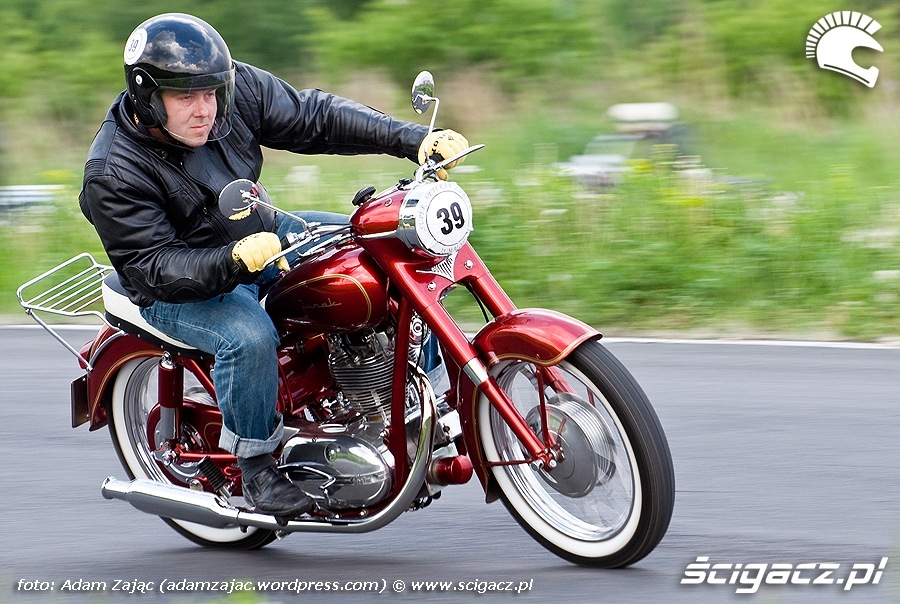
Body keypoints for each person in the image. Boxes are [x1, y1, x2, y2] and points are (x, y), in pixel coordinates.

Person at [79, 12, 468, 518]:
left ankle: (417, 399)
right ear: (148, 96)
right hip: (175, 284)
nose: (205, 110)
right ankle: (257, 465)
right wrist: (231, 259)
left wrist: (410, 140)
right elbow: (152, 266)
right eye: (185, 98)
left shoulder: (231, 88)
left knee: (382, 250)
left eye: (211, 93)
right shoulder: (113, 171)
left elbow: (313, 115)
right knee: (249, 337)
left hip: (260, 232)